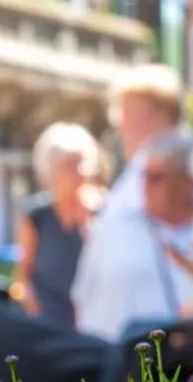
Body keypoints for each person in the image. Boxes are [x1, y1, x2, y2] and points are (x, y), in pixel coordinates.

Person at [73, 66, 185, 339]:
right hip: (125, 334)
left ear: (147, 112)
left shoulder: (175, 166)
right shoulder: (137, 171)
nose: (120, 126)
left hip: (158, 336)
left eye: (124, 113)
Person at [16, 121, 103, 326]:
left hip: (93, 319)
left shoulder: (103, 212)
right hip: (50, 321)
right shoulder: (36, 216)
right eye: (69, 164)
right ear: (51, 170)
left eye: (82, 162)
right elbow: (23, 274)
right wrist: (34, 310)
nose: (79, 171)